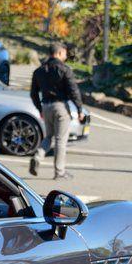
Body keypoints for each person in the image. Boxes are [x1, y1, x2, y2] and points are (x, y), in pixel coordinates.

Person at [29, 42, 83, 180]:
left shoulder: (39, 70)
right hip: (60, 107)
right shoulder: (64, 69)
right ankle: (59, 172)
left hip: (46, 106)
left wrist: (40, 109)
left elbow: (33, 93)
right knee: (60, 139)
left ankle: (37, 157)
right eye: (64, 53)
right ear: (59, 53)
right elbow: (73, 91)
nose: (66, 55)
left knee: (48, 137)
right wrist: (79, 109)